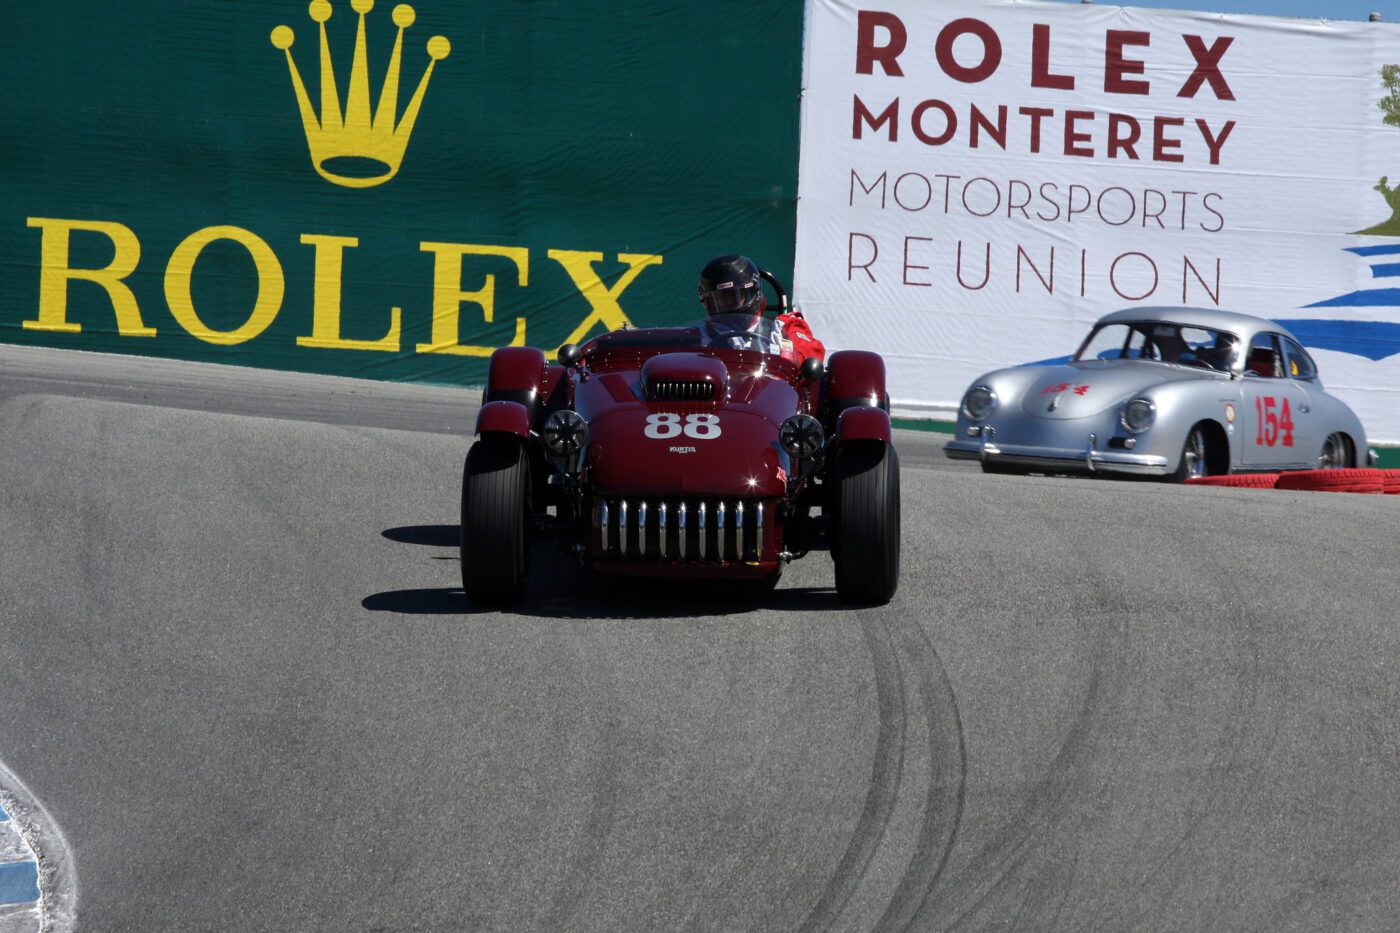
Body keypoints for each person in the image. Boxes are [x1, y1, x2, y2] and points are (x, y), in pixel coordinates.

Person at [696, 254, 826, 366]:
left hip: (769, 392)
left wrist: (793, 358)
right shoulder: (698, 336)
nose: (728, 304)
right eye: (719, 300)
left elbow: (810, 358)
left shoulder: (781, 330)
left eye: (733, 297)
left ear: (754, 292)